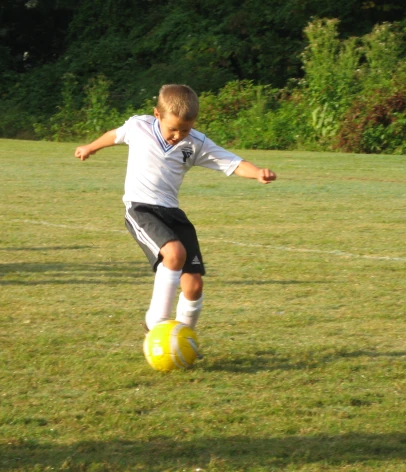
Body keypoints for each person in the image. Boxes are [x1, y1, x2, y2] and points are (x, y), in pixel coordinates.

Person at [75, 84, 276, 335]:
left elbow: (233, 163)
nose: (178, 135)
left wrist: (257, 173)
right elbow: (115, 135)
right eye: (173, 129)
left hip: (173, 214)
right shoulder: (140, 127)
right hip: (141, 209)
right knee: (173, 253)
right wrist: (90, 147)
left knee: (193, 286)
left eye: (185, 129)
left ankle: (183, 338)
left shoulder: (196, 144)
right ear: (157, 115)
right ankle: (156, 324)